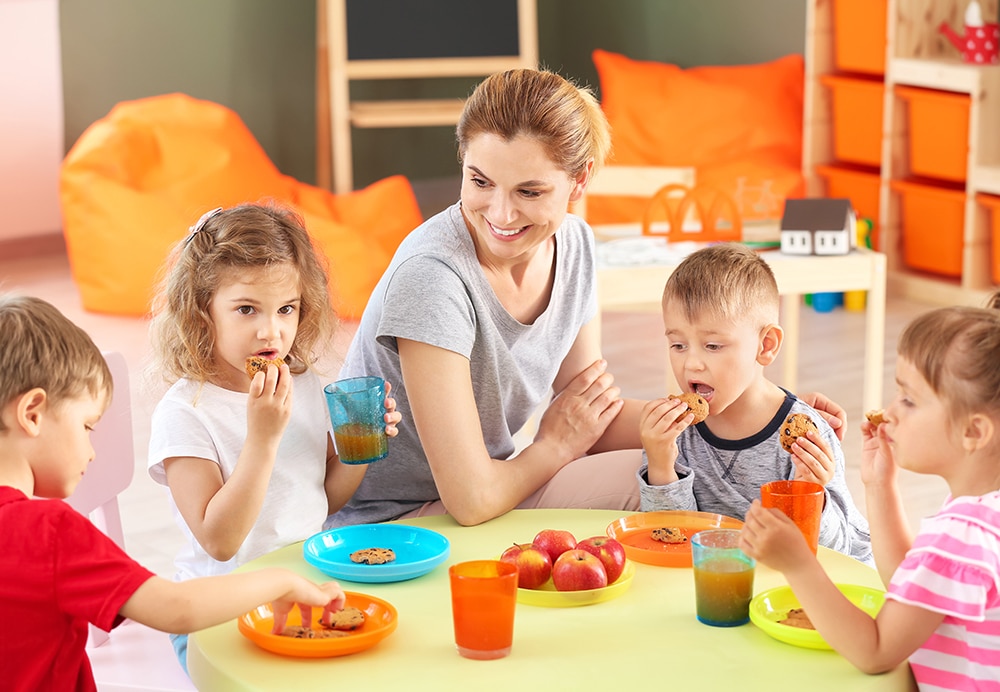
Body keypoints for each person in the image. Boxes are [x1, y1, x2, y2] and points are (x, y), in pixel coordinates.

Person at [0, 294, 347, 691]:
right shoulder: (49, 533)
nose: (91, 451)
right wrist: (283, 582)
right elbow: (176, 608)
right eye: (86, 427)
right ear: (32, 414)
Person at [146, 203, 400, 670]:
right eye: (246, 309)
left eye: (286, 309)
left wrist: (359, 447)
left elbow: (324, 499)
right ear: (203, 313)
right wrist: (262, 440)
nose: (272, 330)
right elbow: (220, 541)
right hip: (217, 615)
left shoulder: (304, 385)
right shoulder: (185, 414)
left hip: (304, 589)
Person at [741, 297, 1000, 688]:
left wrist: (798, 564)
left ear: (974, 432)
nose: (889, 412)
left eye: (910, 400)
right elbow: (910, 588)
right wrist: (880, 486)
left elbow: (875, 652)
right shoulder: (981, 515)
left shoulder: (960, 536)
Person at [637, 243, 872, 564]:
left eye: (713, 345)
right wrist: (661, 466)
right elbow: (672, 540)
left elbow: (840, 554)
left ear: (766, 345)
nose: (691, 363)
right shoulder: (674, 436)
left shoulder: (805, 436)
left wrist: (808, 495)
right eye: (678, 344)